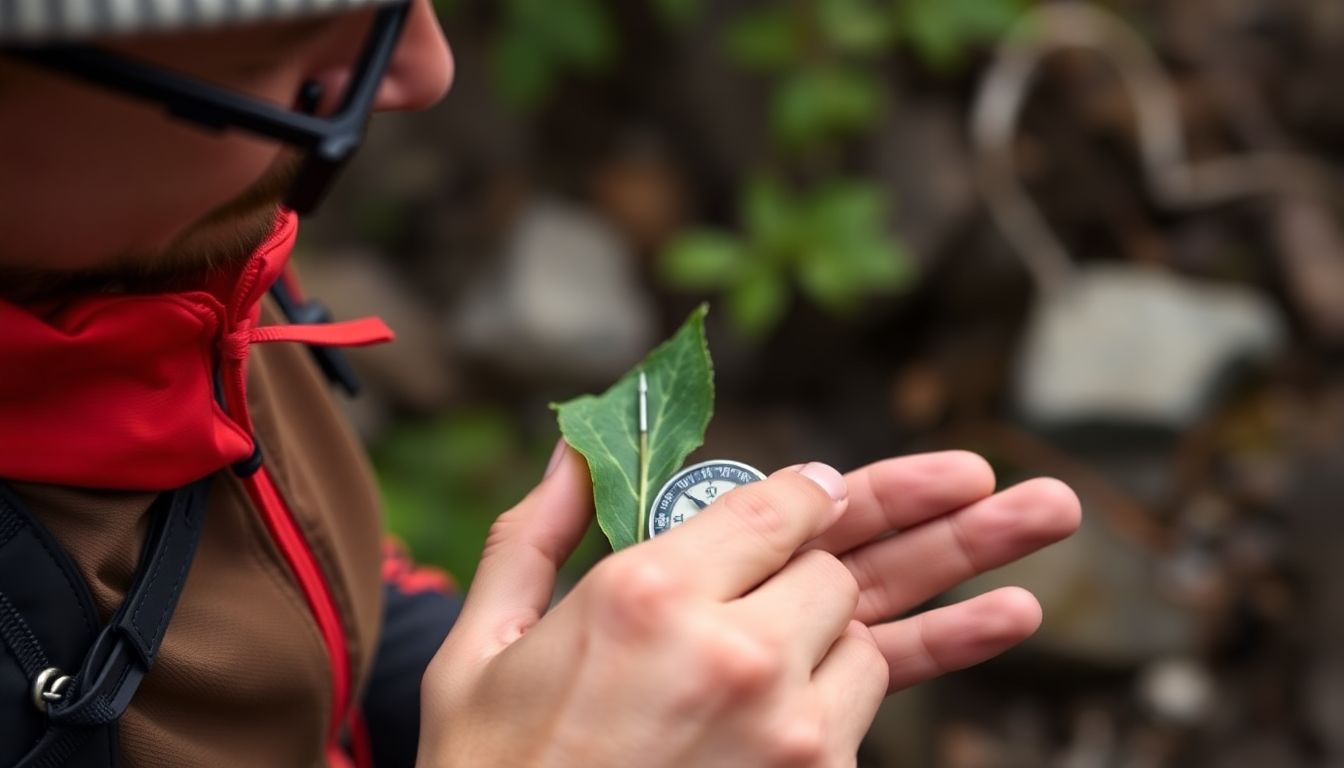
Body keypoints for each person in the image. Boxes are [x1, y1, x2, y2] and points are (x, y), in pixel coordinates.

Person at [0, 1, 1083, 766]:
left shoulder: (168, 262)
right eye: (288, 50)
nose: (427, 70)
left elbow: (303, 612)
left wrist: (547, 691)